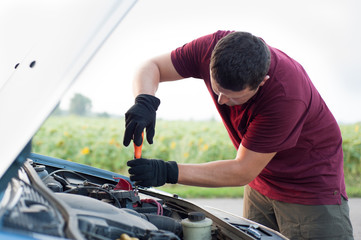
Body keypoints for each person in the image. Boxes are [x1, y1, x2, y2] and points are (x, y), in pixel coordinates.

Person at [123, 30, 353, 239]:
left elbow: (242, 170)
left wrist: (166, 171)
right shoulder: (213, 48)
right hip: (261, 181)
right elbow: (152, 65)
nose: (222, 101)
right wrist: (145, 101)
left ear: (262, 82)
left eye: (233, 97)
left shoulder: (285, 96)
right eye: (217, 90)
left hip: (308, 189)